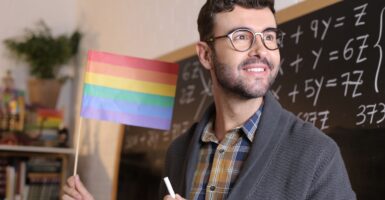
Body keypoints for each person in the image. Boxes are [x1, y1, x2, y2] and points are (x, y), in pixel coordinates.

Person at [63, 0, 356, 199]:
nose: (260, 50)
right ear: (205, 54)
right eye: (241, 37)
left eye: (269, 36)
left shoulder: (317, 154)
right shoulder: (178, 152)